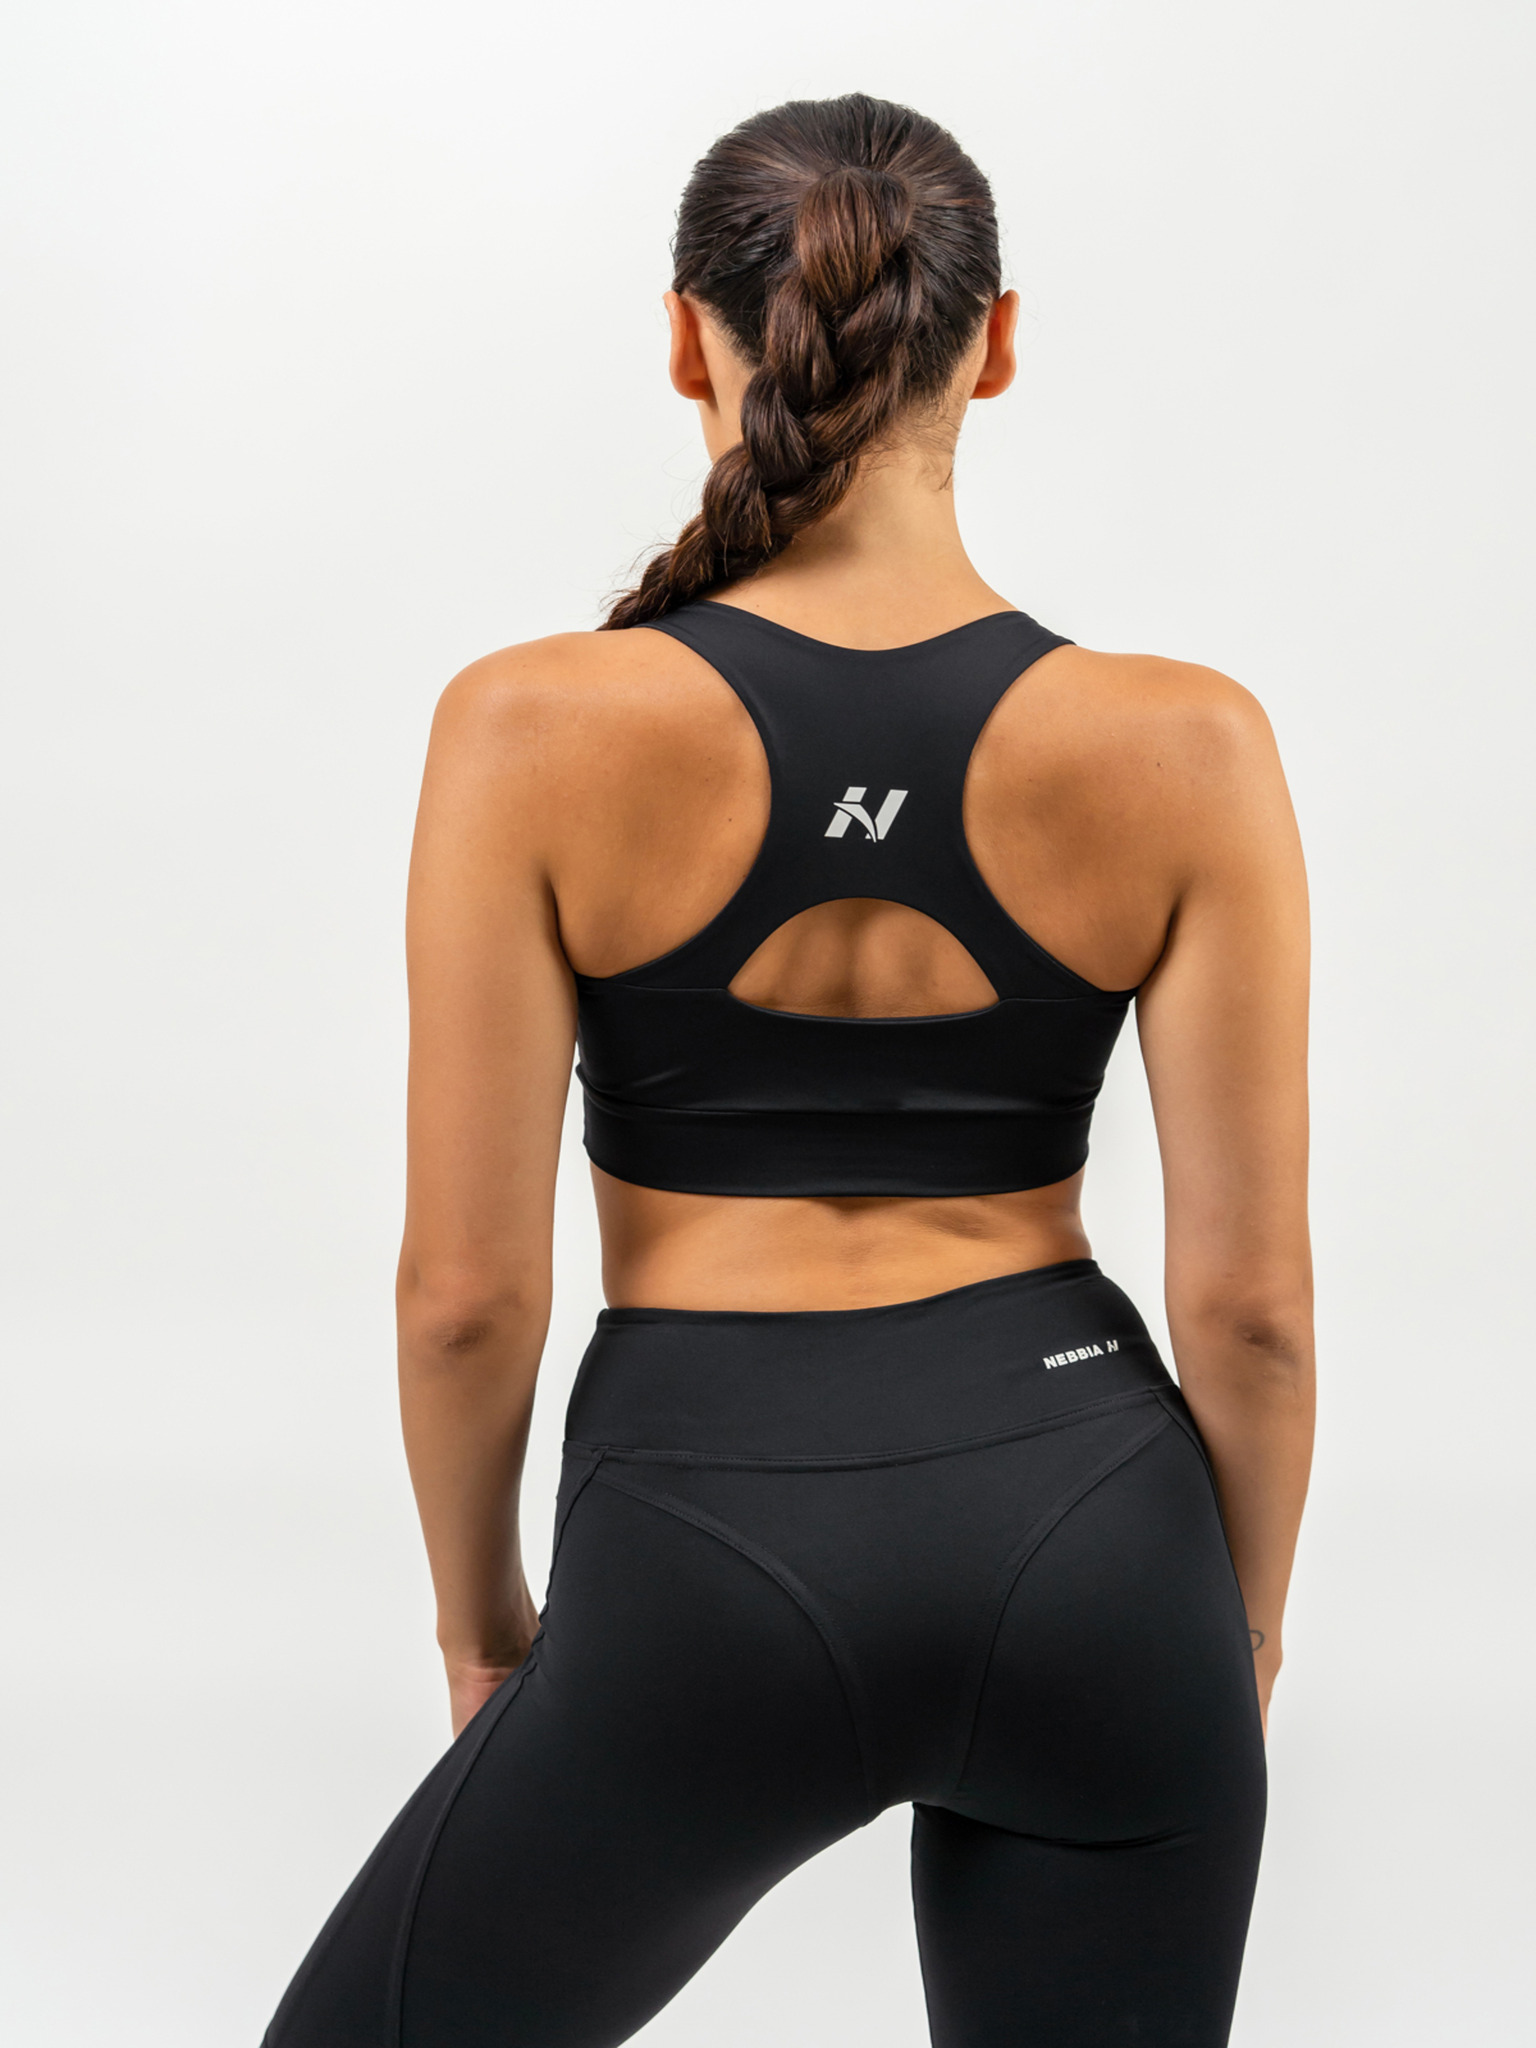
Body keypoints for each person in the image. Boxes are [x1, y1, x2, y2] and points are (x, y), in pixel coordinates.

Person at [262, 91, 1313, 2048]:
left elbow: (466, 1298)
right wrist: (1224, 1632)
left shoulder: (530, 727)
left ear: (690, 342)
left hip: (709, 1554)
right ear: (996, 345)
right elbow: (1253, 1312)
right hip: (1101, 1537)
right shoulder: (1189, 745)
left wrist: (486, 1628)